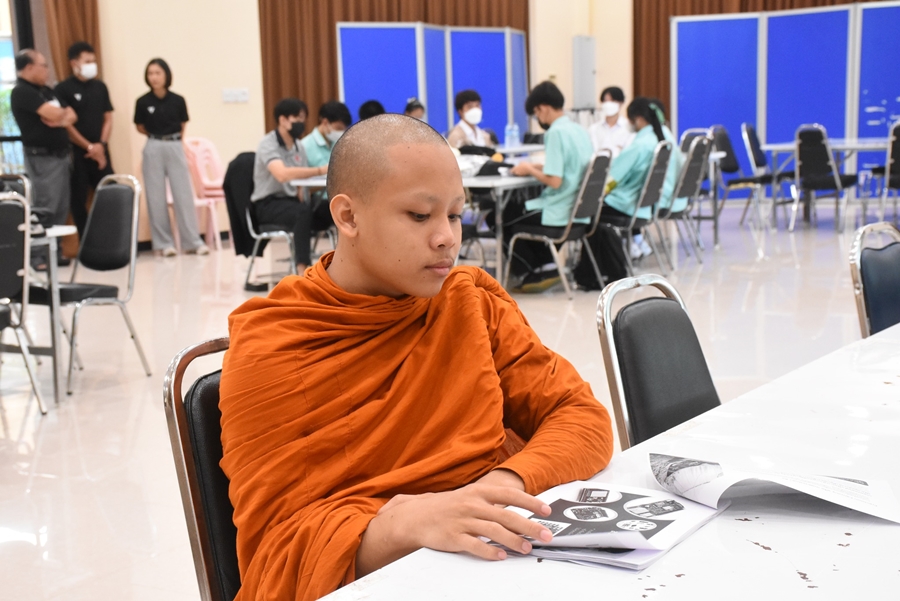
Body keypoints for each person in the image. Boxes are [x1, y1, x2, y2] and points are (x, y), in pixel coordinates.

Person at [219, 113, 613, 601]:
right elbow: (276, 554)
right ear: (348, 217)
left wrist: (498, 487)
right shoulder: (274, 345)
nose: (447, 237)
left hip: (498, 561)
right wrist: (399, 526)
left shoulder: (468, 303)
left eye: (456, 215)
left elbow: (582, 417)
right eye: (420, 216)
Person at [505, 81, 594, 289]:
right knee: (516, 213)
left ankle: (533, 270)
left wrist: (529, 169)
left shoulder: (554, 132)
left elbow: (555, 181)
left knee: (502, 215)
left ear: (543, 108)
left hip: (558, 210)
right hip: (579, 211)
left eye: (536, 113)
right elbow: (570, 167)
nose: (538, 118)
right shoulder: (579, 130)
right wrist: (538, 166)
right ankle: (545, 265)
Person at [134, 58, 208, 256]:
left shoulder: (178, 100)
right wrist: (157, 137)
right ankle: (164, 244)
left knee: (183, 195)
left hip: (175, 144)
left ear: (166, 75)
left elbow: (183, 124)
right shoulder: (143, 102)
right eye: (150, 73)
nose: (154, 77)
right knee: (155, 197)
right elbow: (140, 126)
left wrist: (174, 141)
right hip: (153, 145)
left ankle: (192, 241)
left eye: (158, 73)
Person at [599, 97, 680, 258]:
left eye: (630, 119)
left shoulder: (640, 145)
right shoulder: (664, 138)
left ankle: (601, 263)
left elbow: (612, 179)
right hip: (649, 204)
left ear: (639, 119)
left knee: (586, 211)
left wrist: (598, 194)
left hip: (629, 206)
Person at [251, 97, 325, 272]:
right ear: (283, 120)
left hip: (291, 202)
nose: (301, 123)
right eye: (297, 118)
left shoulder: (299, 145)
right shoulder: (268, 144)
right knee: (302, 213)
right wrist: (319, 170)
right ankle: (303, 270)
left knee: (327, 208)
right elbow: (282, 174)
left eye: (303, 119)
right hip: (268, 204)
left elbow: (301, 183)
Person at [11, 49, 77, 241]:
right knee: (46, 208)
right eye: (44, 66)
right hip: (42, 159)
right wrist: (61, 116)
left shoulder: (47, 91)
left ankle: (56, 250)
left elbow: (72, 115)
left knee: (62, 207)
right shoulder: (22, 91)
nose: (47, 70)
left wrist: (59, 119)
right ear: (29, 67)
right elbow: (55, 113)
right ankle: (41, 252)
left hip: (61, 157)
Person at [55, 41, 114, 237]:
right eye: (87, 61)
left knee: (111, 192)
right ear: (74, 63)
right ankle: (86, 242)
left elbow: (108, 118)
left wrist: (101, 145)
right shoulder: (62, 89)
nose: (92, 65)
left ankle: (112, 240)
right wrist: (88, 146)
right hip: (78, 153)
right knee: (78, 199)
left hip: (101, 151)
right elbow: (66, 124)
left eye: (93, 61)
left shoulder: (100, 87)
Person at [300, 100, 351, 169]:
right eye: (338, 128)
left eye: (343, 129)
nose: (341, 132)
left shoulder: (340, 144)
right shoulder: (304, 146)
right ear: (325, 122)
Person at [587, 86, 633, 157]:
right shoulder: (593, 129)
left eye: (612, 101)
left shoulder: (629, 128)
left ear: (621, 103)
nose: (608, 104)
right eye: (605, 101)